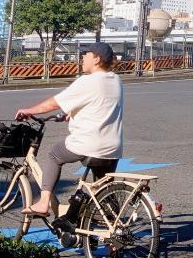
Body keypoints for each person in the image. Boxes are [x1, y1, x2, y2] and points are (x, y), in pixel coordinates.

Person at [14, 42, 123, 217]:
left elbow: (54, 103)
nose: (82, 58)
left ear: (96, 59)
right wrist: (71, 113)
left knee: (55, 154)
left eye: (86, 55)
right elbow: (99, 103)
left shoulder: (88, 81)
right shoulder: (115, 80)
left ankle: (43, 203)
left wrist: (29, 110)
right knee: (103, 190)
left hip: (90, 144)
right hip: (112, 147)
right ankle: (114, 233)